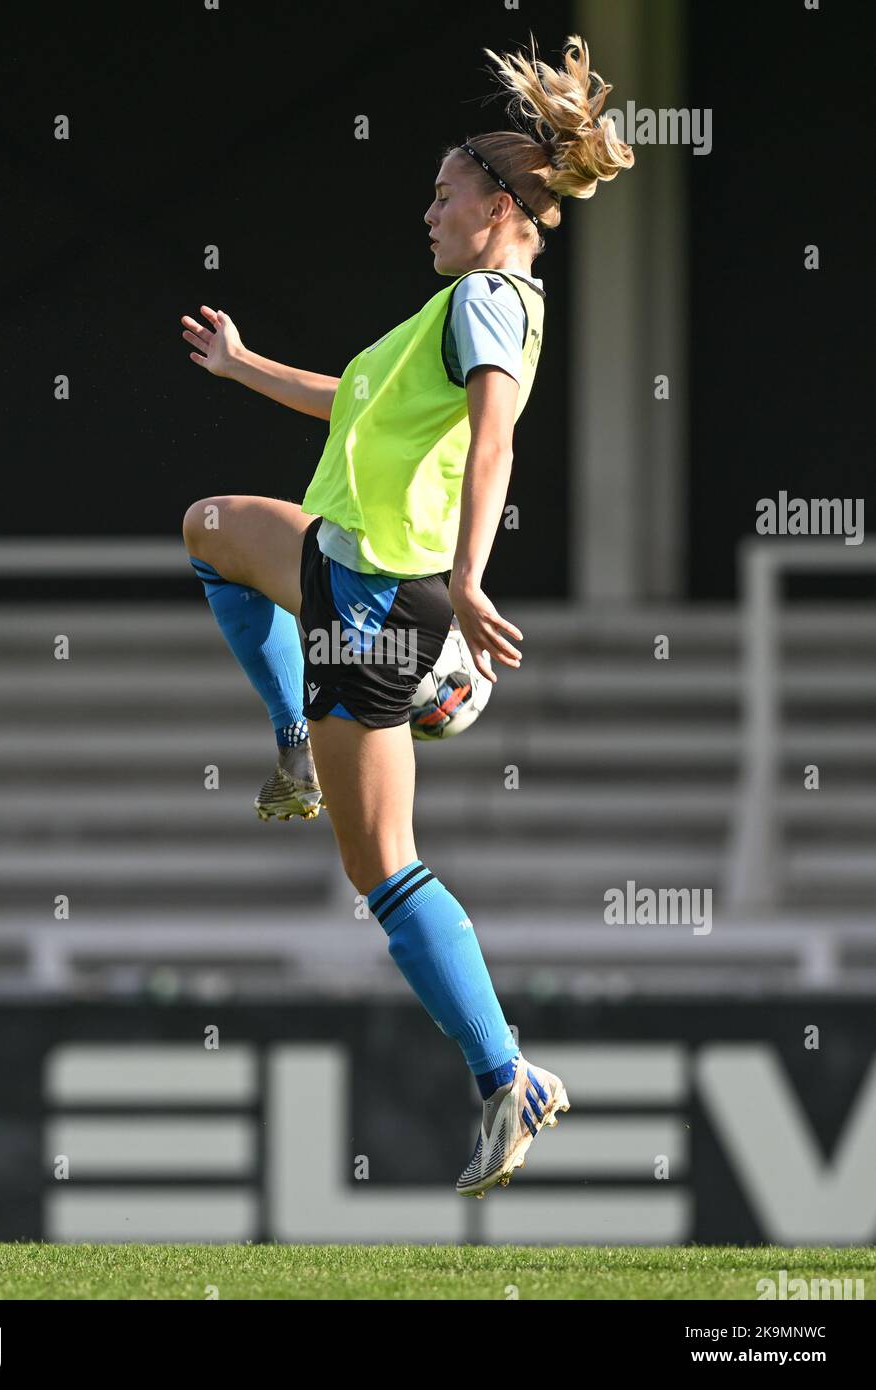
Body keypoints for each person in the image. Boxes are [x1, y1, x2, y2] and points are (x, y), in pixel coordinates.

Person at [181, 33, 634, 1197]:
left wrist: (475, 578)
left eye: (444, 193)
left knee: (382, 868)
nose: (427, 212)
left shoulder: (489, 297)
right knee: (216, 528)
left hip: (378, 608)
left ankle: (508, 1075)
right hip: (344, 571)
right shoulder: (446, 314)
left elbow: (496, 439)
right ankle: (295, 735)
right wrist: (244, 368)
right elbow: (354, 406)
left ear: (499, 204)